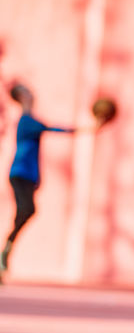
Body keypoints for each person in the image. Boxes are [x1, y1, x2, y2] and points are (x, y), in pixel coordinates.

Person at [3, 83, 80, 281]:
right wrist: (85, 129)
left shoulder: (30, 121)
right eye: (26, 91)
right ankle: (6, 249)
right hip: (20, 174)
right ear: (20, 96)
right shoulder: (26, 121)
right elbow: (54, 128)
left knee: (27, 211)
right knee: (27, 209)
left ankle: (6, 250)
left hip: (28, 176)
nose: (32, 93)